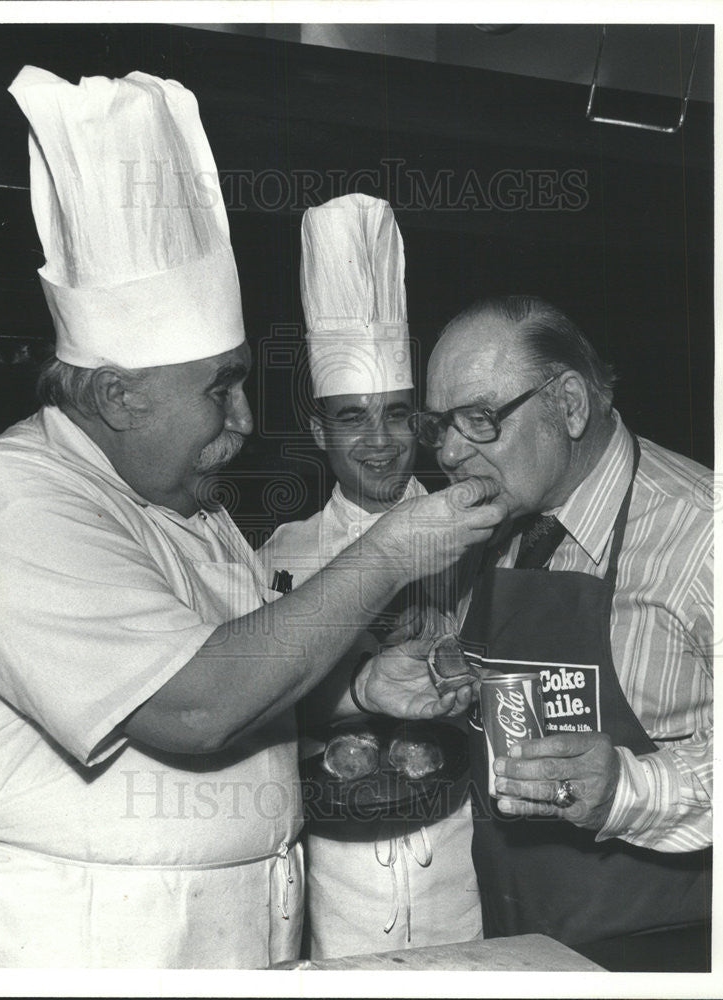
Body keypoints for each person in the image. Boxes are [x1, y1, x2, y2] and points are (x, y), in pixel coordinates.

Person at [0, 67, 504, 969]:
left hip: (232, 938)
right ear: (117, 395)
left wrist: (360, 693)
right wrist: (385, 554)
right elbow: (196, 706)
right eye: (219, 389)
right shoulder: (16, 505)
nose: (244, 420)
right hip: (97, 946)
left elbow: (253, 680)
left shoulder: (192, 508)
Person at [414, 295, 713, 972]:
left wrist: (626, 789)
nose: (450, 452)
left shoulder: (703, 533)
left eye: (478, 420)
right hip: (514, 940)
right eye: (439, 426)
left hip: (663, 951)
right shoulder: (492, 527)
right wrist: (445, 671)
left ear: (569, 405)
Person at [259, 194, 481, 959]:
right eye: (353, 418)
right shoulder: (277, 559)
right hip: (337, 860)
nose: (381, 443)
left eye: (396, 414)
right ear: (320, 430)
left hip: (472, 849)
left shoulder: (483, 534)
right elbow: (261, 719)